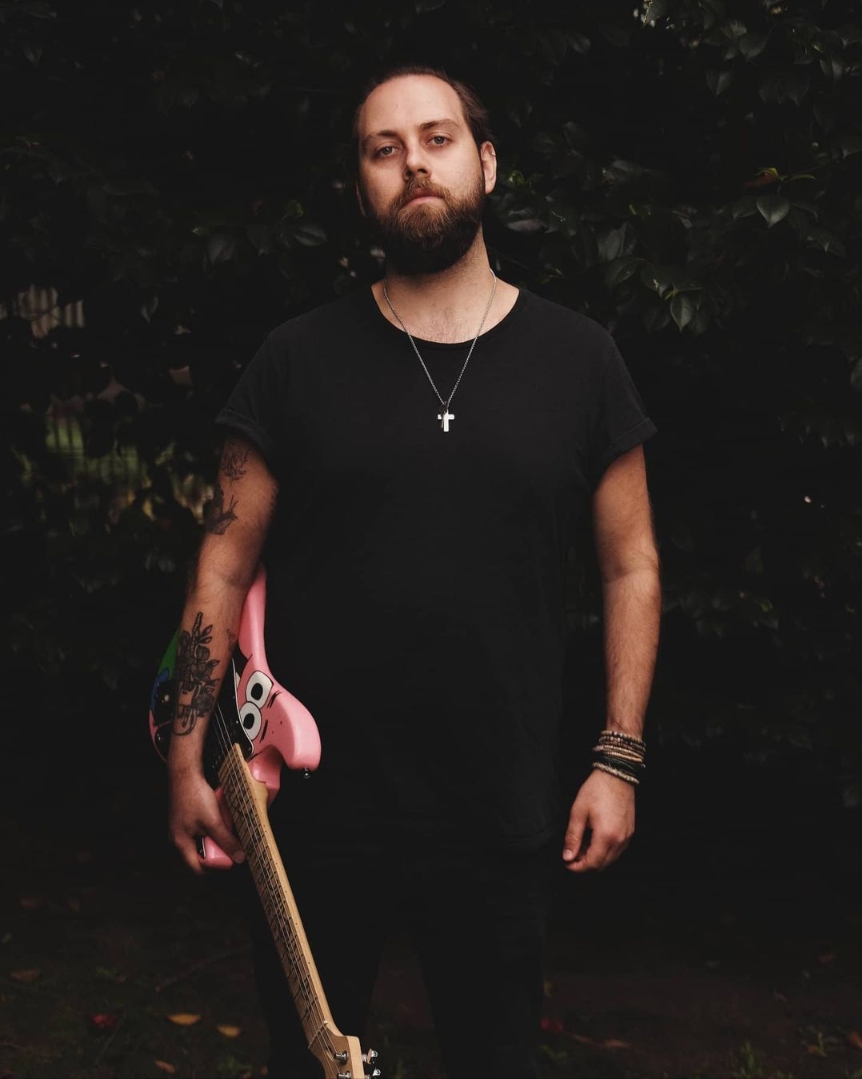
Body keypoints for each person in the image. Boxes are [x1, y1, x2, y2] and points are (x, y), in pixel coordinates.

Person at [166, 62, 661, 1079]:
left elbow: (631, 566)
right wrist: (184, 753)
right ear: (362, 190)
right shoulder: (294, 360)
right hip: (311, 809)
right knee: (307, 1061)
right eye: (382, 150)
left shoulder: (580, 358)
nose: (412, 165)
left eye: (435, 139)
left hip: (499, 804)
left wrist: (616, 758)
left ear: (484, 163)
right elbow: (220, 563)